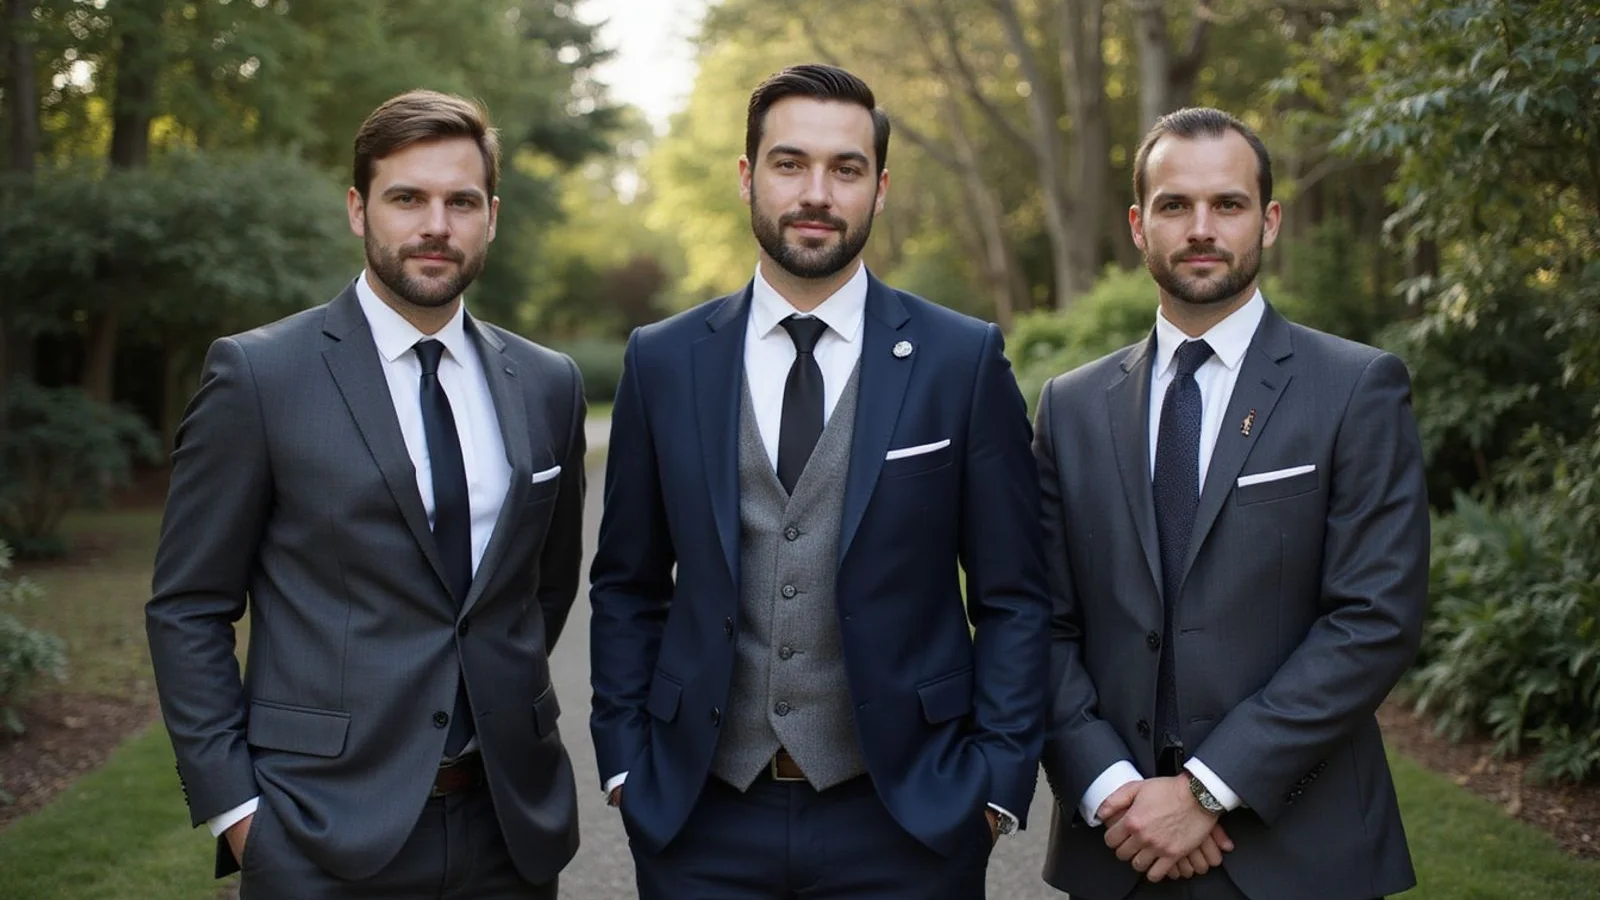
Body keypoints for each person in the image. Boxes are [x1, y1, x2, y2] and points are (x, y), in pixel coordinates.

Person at [588, 63, 1050, 899]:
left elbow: (1015, 594)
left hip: (907, 818)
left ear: (879, 188)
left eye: (846, 169)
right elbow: (626, 584)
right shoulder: (663, 360)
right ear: (747, 176)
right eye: (790, 163)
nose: (816, 193)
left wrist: (992, 786)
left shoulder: (960, 359)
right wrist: (626, 766)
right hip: (701, 820)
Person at [145, 89, 586, 899]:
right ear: (358, 209)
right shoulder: (260, 376)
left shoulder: (548, 384)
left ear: (491, 215)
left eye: (460, 201)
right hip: (316, 836)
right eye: (406, 198)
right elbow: (187, 605)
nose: (435, 226)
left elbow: (540, 589)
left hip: (507, 830)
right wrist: (236, 813)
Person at [1033, 107, 1429, 900]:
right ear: (1140, 226)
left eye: (1230, 204)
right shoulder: (1070, 406)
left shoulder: (1355, 388)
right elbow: (1040, 620)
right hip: (1118, 853)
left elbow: (1373, 617)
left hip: (1302, 853)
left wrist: (1207, 788)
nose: (1202, 227)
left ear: (1270, 221)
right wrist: (1110, 785)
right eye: (1176, 206)